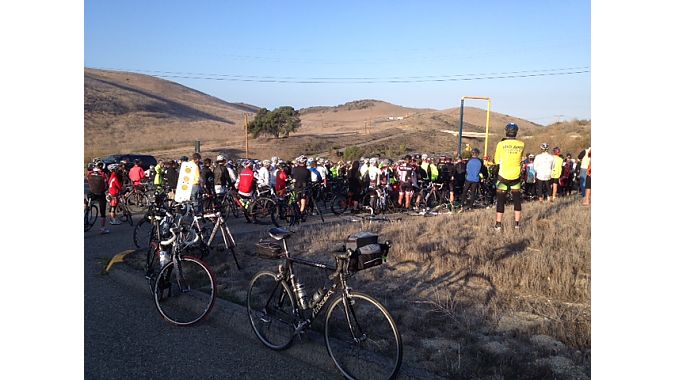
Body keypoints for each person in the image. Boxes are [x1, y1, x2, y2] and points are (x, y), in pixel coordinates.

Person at [493, 123, 525, 230]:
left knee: (501, 201)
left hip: (503, 176)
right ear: (516, 132)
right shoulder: (521, 144)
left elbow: (496, 161)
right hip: (516, 176)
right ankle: (517, 224)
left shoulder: (501, 144)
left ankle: (498, 224)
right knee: (517, 200)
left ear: (506, 131)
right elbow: (520, 159)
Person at [86, 161, 110, 234]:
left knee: (87, 204)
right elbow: (107, 183)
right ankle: (102, 228)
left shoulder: (89, 174)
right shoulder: (103, 174)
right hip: (100, 193)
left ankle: (86, 211)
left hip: (91, 192)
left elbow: (87, 179)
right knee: (102, 212)